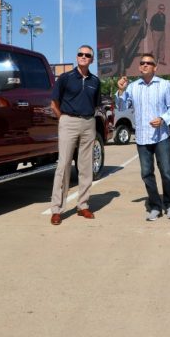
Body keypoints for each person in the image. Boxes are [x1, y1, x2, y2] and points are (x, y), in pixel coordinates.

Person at [115, 52, 170, 221]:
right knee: (146, 173)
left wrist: (163, 119)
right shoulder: (133, 87)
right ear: (139, 67)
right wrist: (121, 91)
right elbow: (122, 107)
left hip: (161, 136)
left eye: (149, 63)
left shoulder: (164, 85)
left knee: (166, 171)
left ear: (155, 67)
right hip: (142, 137)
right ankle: (155, 206)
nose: (145, 65)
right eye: (142, 63)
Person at [48, 45, 101, 225]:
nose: (83, 57)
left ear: (92, 60)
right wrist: (63, 119)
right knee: (63, 165)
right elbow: (53, 102)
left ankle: (83, 205)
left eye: (87, 55)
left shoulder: (95, 81)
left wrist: (87, 118)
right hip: (68, 122)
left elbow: (95, 104)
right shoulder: (66, 78)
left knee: (86, 166)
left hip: (88, 123)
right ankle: (57, 209)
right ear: (77, 57)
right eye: (80, 54)